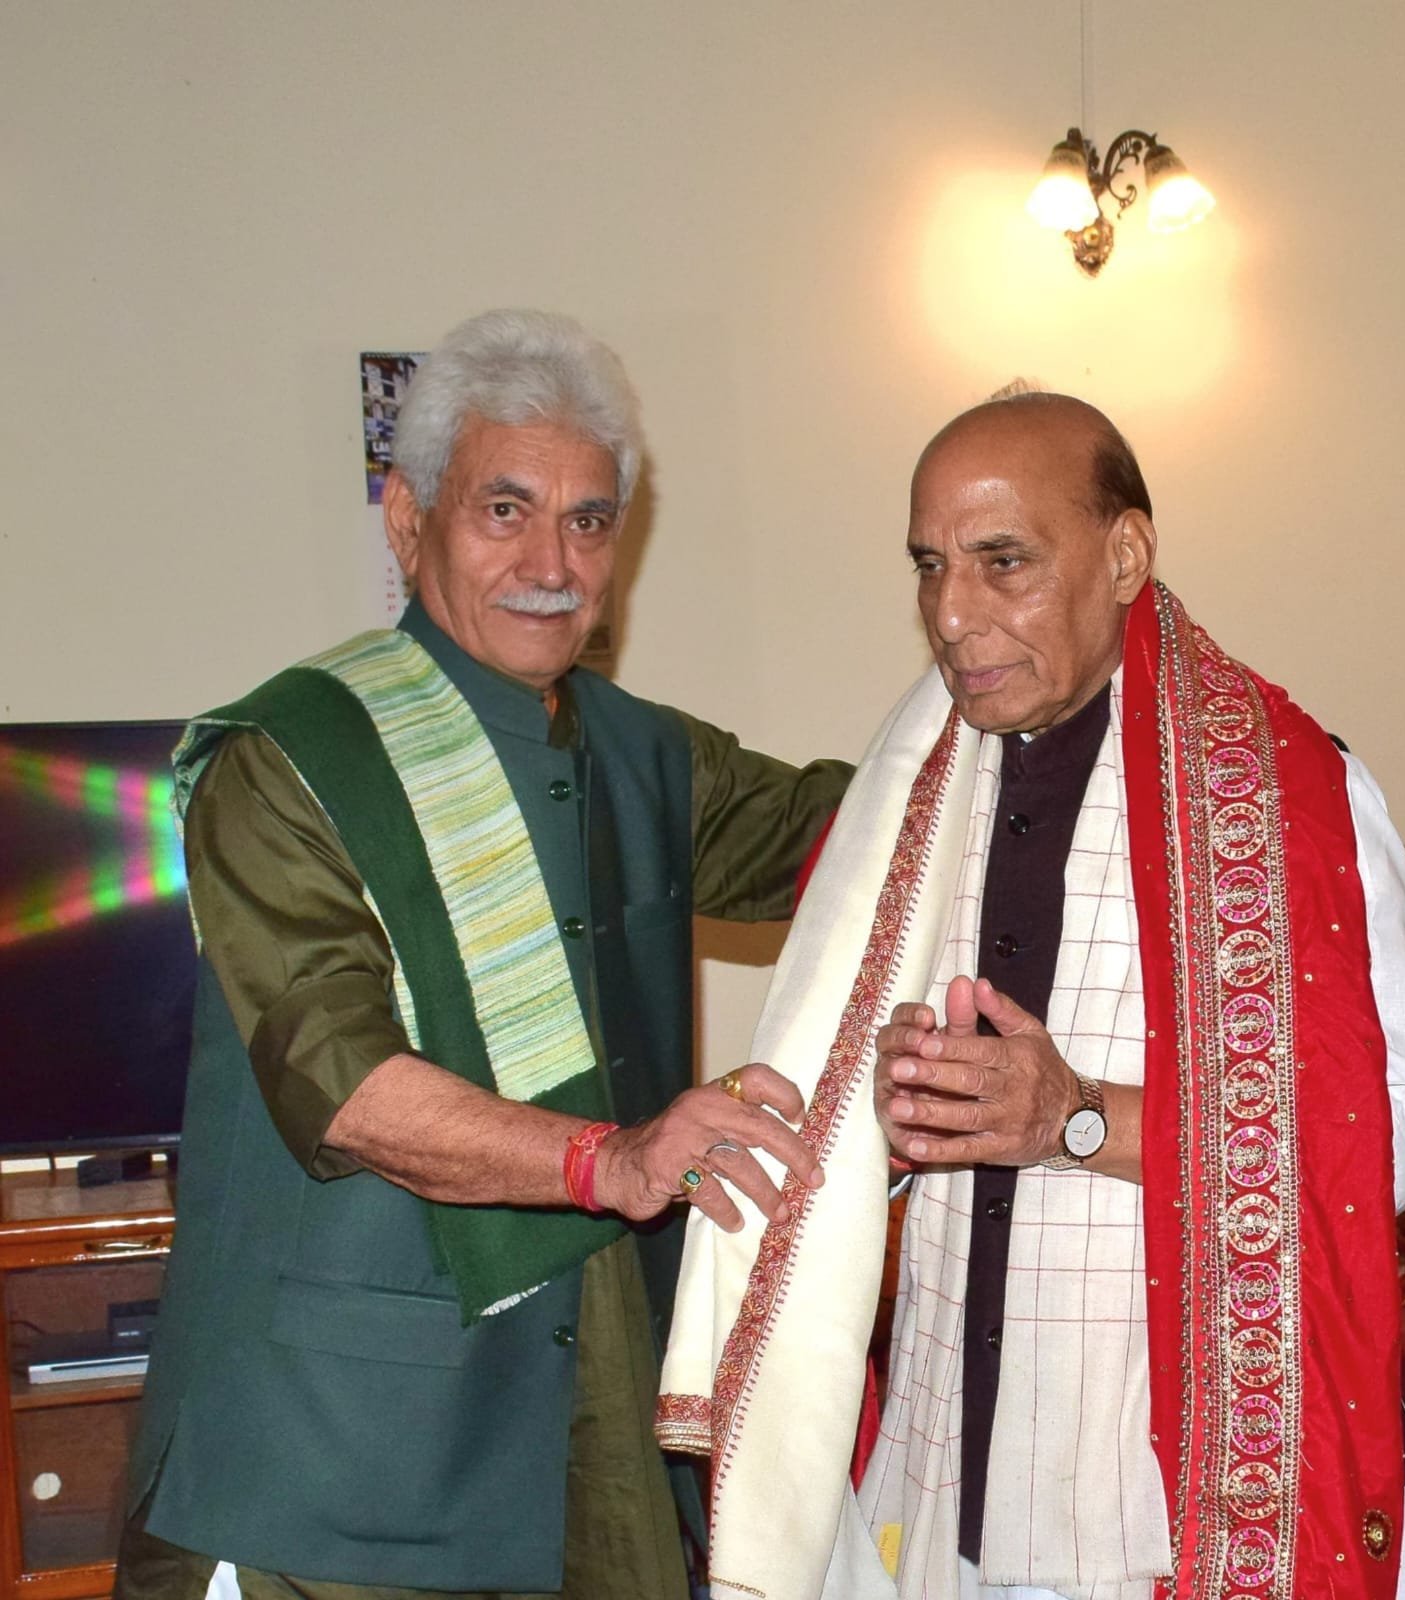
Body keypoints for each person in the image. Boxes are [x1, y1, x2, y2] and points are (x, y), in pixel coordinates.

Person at [658, 394, 1405, 1600]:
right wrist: (885, 1122)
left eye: (1003, 562)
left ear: (1124, 553)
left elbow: (1399, 1138)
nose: (951, 613)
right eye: (929, 565)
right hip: (943, 1492)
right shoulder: (904, 807)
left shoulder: (1290, 795)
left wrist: (1079, 1119)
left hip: (1187, 1504)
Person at [114, 309, 852, 1600]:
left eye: (589, 520)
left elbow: (856, 835)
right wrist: (613, 1157)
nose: (551, 562)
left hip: (591, 1422)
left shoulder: (642, 754)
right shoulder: (289, 760)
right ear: (407, 523)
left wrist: (1015, 697)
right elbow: (345, 1087)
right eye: (504, 510)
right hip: (334, 1455)